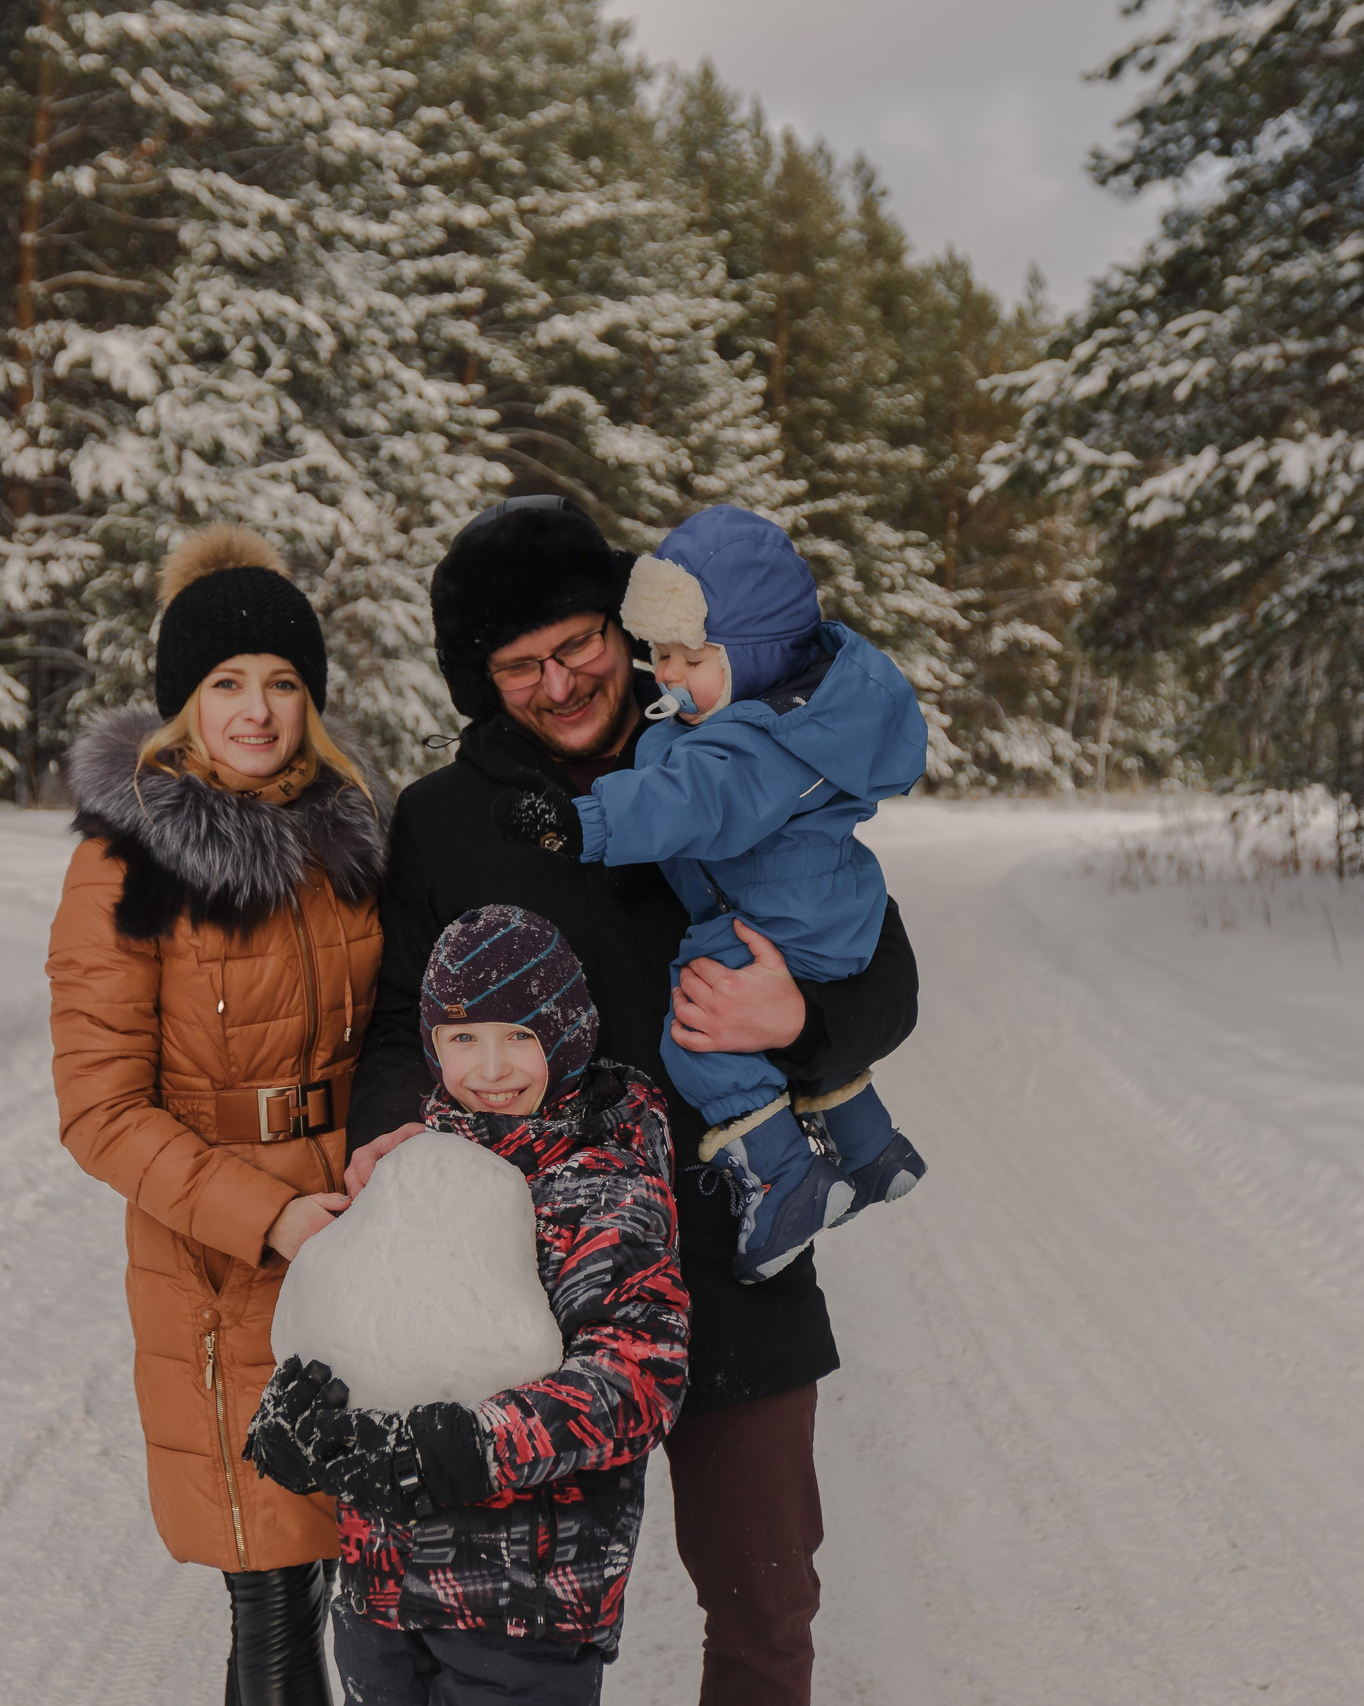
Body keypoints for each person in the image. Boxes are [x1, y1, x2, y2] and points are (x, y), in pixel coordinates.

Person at [345, 496, 922, 1706]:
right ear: (478, 676)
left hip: (729, 1241)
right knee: (517, 1629)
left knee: (766, 1593)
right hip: (528, 1273)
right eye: (520, 664)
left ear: (624, 626)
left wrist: (798, 1025)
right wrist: (390, 1135)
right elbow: (400, 1017)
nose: (559, 682)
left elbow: (878, 962)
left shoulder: (735, 750)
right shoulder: (445, 821)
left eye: (579, 645)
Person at [44, 524, 389, 1706]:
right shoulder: (128, 862)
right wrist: (273, 1215)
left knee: (354, 1567)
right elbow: (100, 1111)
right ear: (184, 701)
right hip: (226, 1261)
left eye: (284, 684)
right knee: (273, 1585)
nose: (258, 711)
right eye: (227, 684)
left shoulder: (346, 843)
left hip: (359, 1234)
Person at [244, 904, 689, 1706]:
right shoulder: (411, 1167)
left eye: (521, 1035)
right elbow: (356, 1326)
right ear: (432, 1045)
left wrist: (465, 1446)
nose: (491, 1067)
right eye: (463, 1038)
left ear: (568, 1033)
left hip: (523, 1610)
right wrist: (296, 1417)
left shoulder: (600, 1183)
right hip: (379, 1595)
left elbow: (638, 1377)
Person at [492, 505, 930, 1283]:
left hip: (778, 919)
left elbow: (686, 802)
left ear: (752, 654)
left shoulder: (747, 741)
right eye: (659, 654)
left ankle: (784, 1176)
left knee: (696, 1032)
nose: (667, 676)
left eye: (687, 658)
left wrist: (581, 824)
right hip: (820, 908)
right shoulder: (788, 720)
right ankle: (870, 1146)